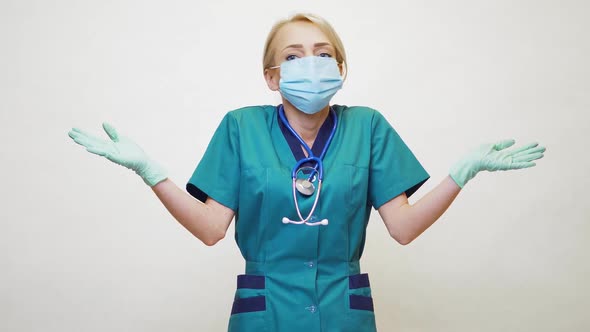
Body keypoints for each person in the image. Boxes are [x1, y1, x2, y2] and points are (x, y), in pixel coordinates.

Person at [68, 12, 545, 332]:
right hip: (266, 311)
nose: (309, 64)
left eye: (322, 53)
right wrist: (150, 171)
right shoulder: (241, 127)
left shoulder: (368, 126)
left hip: (343, 310)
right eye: (293, 56)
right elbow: (211, 229)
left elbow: (403, 228)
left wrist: (462, 172)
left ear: (340, 68)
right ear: (271, 76)